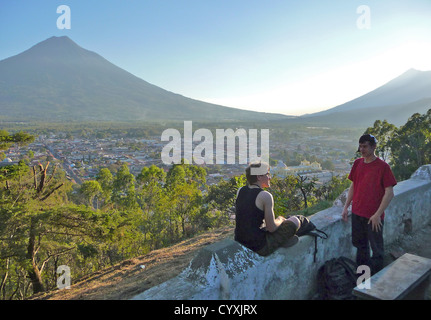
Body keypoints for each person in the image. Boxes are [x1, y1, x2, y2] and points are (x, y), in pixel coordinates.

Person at [342, 134, 397, 274]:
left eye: (365, 146)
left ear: (374, 147)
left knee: (377, 250)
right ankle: (362, 282)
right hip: (357, 213)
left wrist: (378, 214)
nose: (361, 149)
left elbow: (389, 192)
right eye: (360, 146)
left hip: (373, 217)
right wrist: (346, 206)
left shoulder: (383, 167)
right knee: (361, 248)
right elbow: (354, 186)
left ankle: (376, 285)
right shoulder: (357, 163)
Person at [235, 162, 301, 256]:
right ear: (259, 177)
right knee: (295, 220)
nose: (269, 177)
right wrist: (280, 219)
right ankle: (281, 242)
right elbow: (272, 228)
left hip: (240, 242)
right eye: (267, 174)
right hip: (258, 247)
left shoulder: (240, 190)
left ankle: (282, 241)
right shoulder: (265, 196)